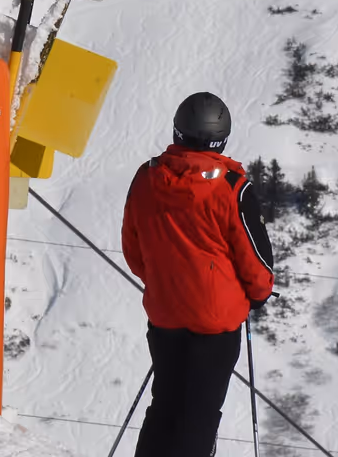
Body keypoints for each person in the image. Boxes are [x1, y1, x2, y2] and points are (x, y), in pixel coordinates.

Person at [121, 91, 275, 457]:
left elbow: (134, 247)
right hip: (215, 324)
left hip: (165, 314)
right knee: (200, 413)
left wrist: (164, 281)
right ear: (221, 139)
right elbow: (256, 262)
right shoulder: (231, 188)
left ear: (178, 132)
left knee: (166, 405)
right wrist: (258, 294)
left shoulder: (147, 177)